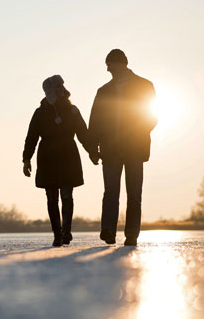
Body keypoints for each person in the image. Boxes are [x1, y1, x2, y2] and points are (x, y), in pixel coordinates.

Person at [88, 49, 157, 247]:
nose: (108, 69)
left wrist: (137, 133)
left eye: (111, 65)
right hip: (110, 150)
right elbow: (95, 122)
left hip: (135, 148)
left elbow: (152, 116)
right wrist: (93, 148)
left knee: (134, 193)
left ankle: (132, 235)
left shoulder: (144, 86)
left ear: (123, 64)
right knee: (111, 191)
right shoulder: (103, 91)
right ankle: (108, 231)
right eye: (107, 66)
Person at [22, 75, 96, 247]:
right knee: (51, 197)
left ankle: (66, 231)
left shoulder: (73, 110)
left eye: (62, 87)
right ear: (50, 91)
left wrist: (92, 152)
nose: (61, 90)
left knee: (67, 195)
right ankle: (57, 234)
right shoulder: (40, 113)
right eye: (57, 87)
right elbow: (31, 137)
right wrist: (26, 159)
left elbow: (83, 134)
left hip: (68, 155)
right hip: (48, 157)